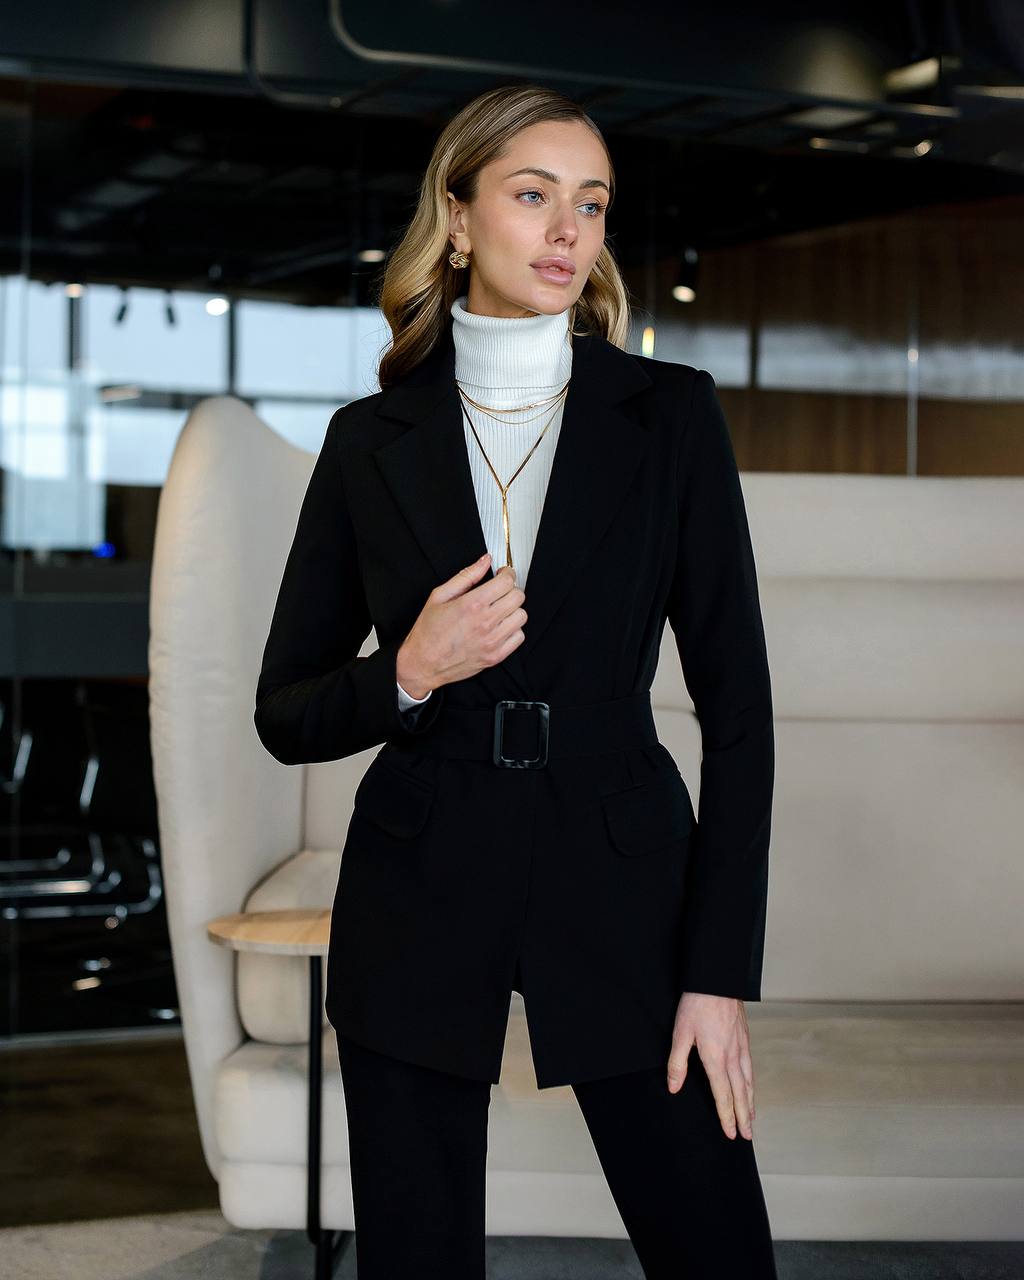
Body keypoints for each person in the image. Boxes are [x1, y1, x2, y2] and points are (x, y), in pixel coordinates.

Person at [254, 83, 778, 1279]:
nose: (565, 231)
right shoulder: (365, 440)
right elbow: (285, 711)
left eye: (588, 204)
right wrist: (408, 672)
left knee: (714, 1249)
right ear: (456, 213)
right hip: (418, 874)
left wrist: (716, 971)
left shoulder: (673, 418)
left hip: (627, 871)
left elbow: (739, 716)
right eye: (532, 194)